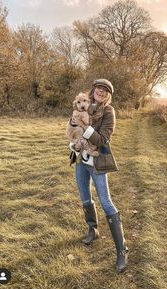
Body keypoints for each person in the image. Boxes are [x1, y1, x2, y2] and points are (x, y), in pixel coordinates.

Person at [68, 79, 128, 273]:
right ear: (93, 90)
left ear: (108, 95)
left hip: (97, 163)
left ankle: (122, 250)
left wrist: (85, 128)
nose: (101, 92)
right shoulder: (84, 104)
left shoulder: (109, 112)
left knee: (106, 201)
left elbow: (102, 139)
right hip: (80, 160)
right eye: (98, 89)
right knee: (85, 197)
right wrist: (73, 144)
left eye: (105, 91)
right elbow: (73, 132)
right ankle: (93, 230)